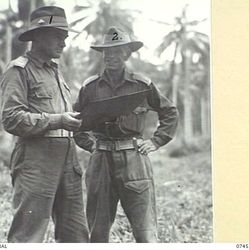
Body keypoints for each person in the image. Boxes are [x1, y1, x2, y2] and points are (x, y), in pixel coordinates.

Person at [74, 26, 179, 242]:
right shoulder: (90, 87)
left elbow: (169, 111)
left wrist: (156, 141)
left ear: (127, 54)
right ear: (102, 55)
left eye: (117, 51)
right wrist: (90, 145)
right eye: (107, 52)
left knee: (145, 231)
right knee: (97, 231)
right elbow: (76, 120)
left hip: (134, 159)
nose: (111, 56)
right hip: (101, 160)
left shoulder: (141, 85)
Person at [0, 6, 89, 243]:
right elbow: (11, 118)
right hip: (36, 160)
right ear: (38, 36)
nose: (64, 43)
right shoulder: (19, 70)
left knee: (76, 235)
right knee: (28, 235)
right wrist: (58, 120)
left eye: (65, 37)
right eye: (58, 37)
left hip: (68, 159)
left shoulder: (55, 71)